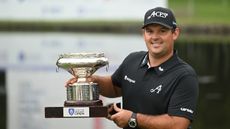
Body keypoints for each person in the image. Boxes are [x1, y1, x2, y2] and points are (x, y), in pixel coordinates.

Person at [67, 7, 199, 129]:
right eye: (150, 31)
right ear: (144, 34)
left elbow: (178, 124)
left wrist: (133, 119)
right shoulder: (133, 59)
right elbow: (114, 87)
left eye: (162, 31)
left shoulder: (185, 75)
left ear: (175, 33)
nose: (155, 37)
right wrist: (90, 81)